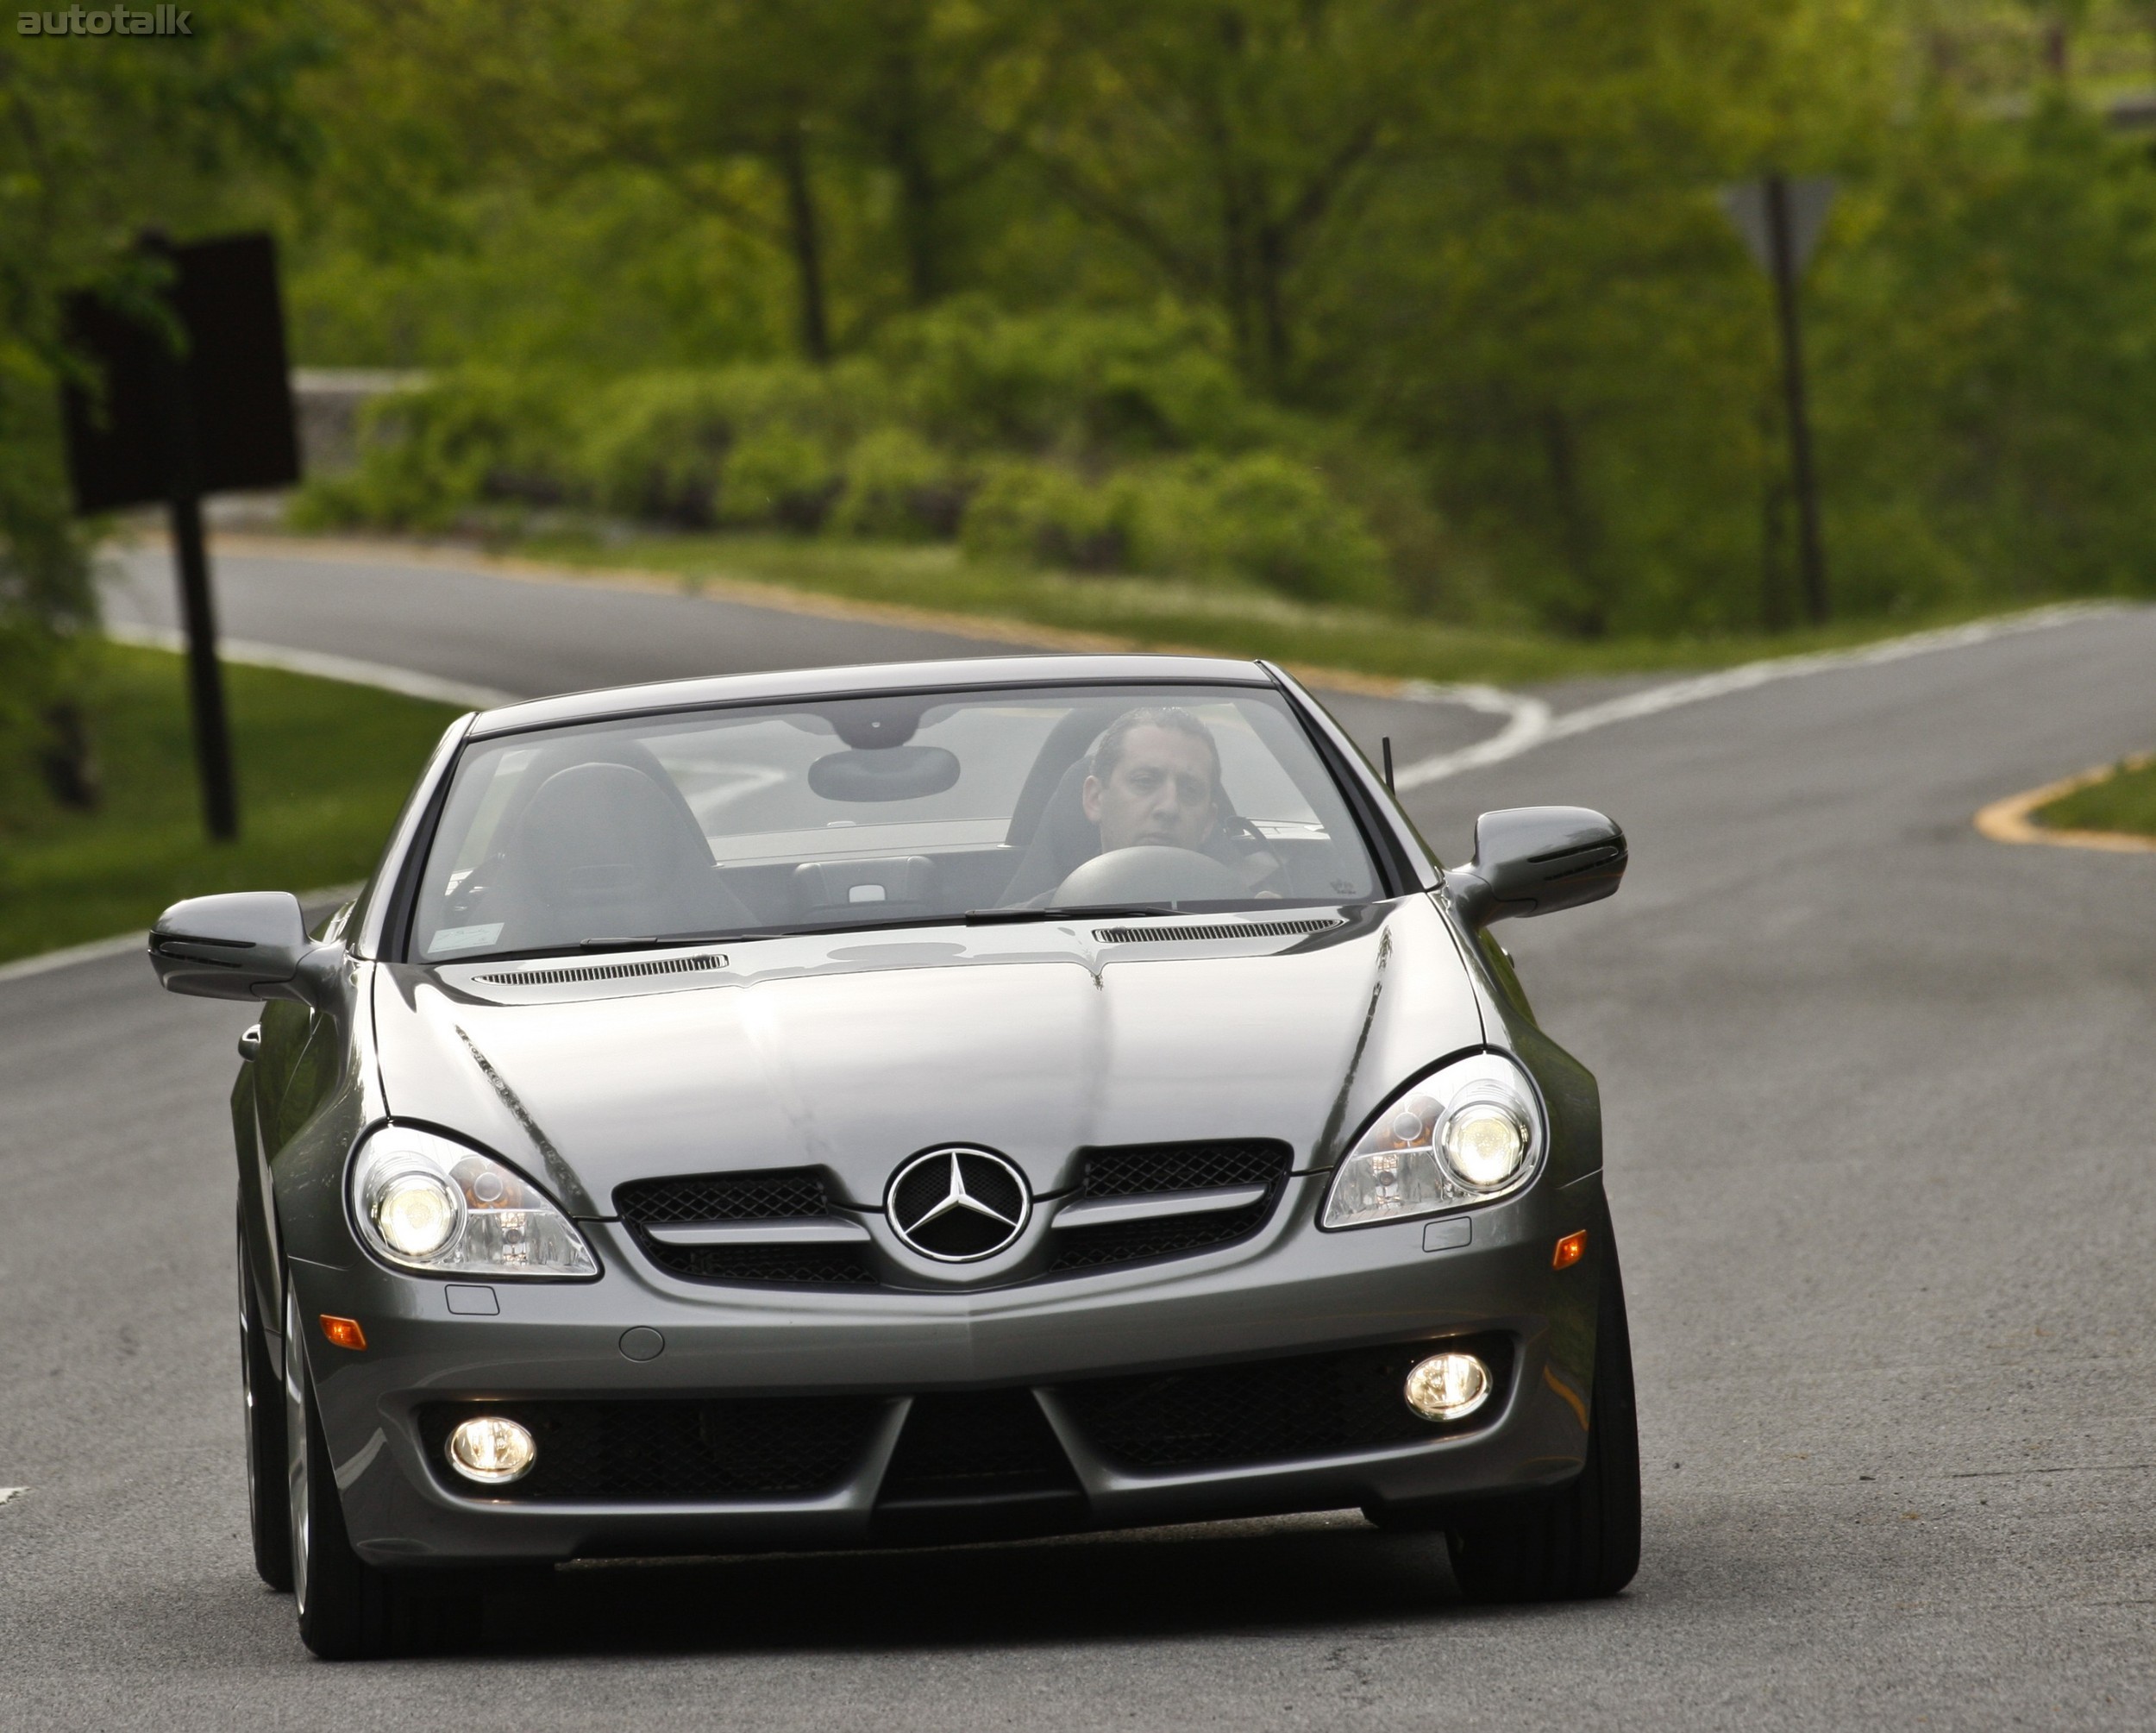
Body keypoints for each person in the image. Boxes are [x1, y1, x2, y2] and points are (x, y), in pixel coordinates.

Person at [1079, 706, 1282, 893]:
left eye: (1190, 790)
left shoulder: (1251, 918)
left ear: (1208, 822)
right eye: (1145, 781)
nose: (1169, 807)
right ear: (1095, 799)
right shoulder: (1048, 922)